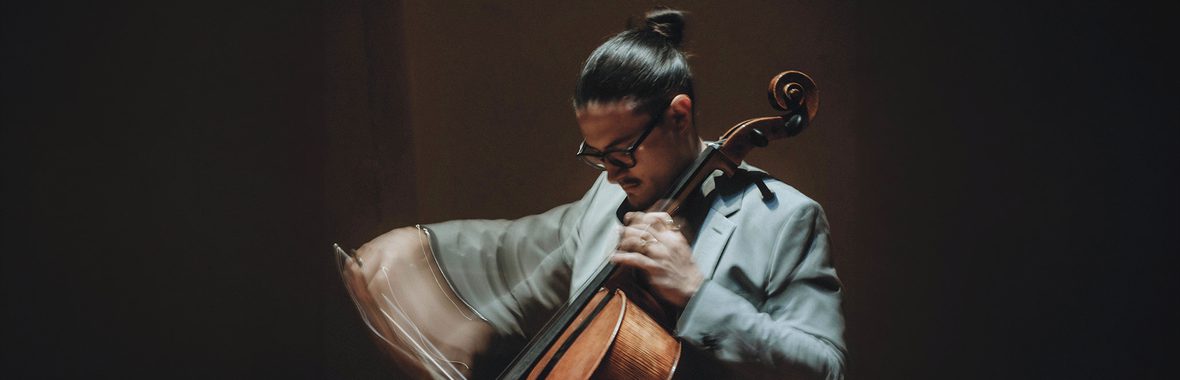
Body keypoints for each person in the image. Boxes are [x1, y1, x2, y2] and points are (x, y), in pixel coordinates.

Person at [354, 8, 845, 379]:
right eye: (597, 154)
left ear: (678, 116)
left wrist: (695, 293)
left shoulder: (785, 219)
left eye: (623, 152)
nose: (611, 174)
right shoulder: (606, 199)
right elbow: (518, 248)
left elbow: (825, 366)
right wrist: (419, 251)